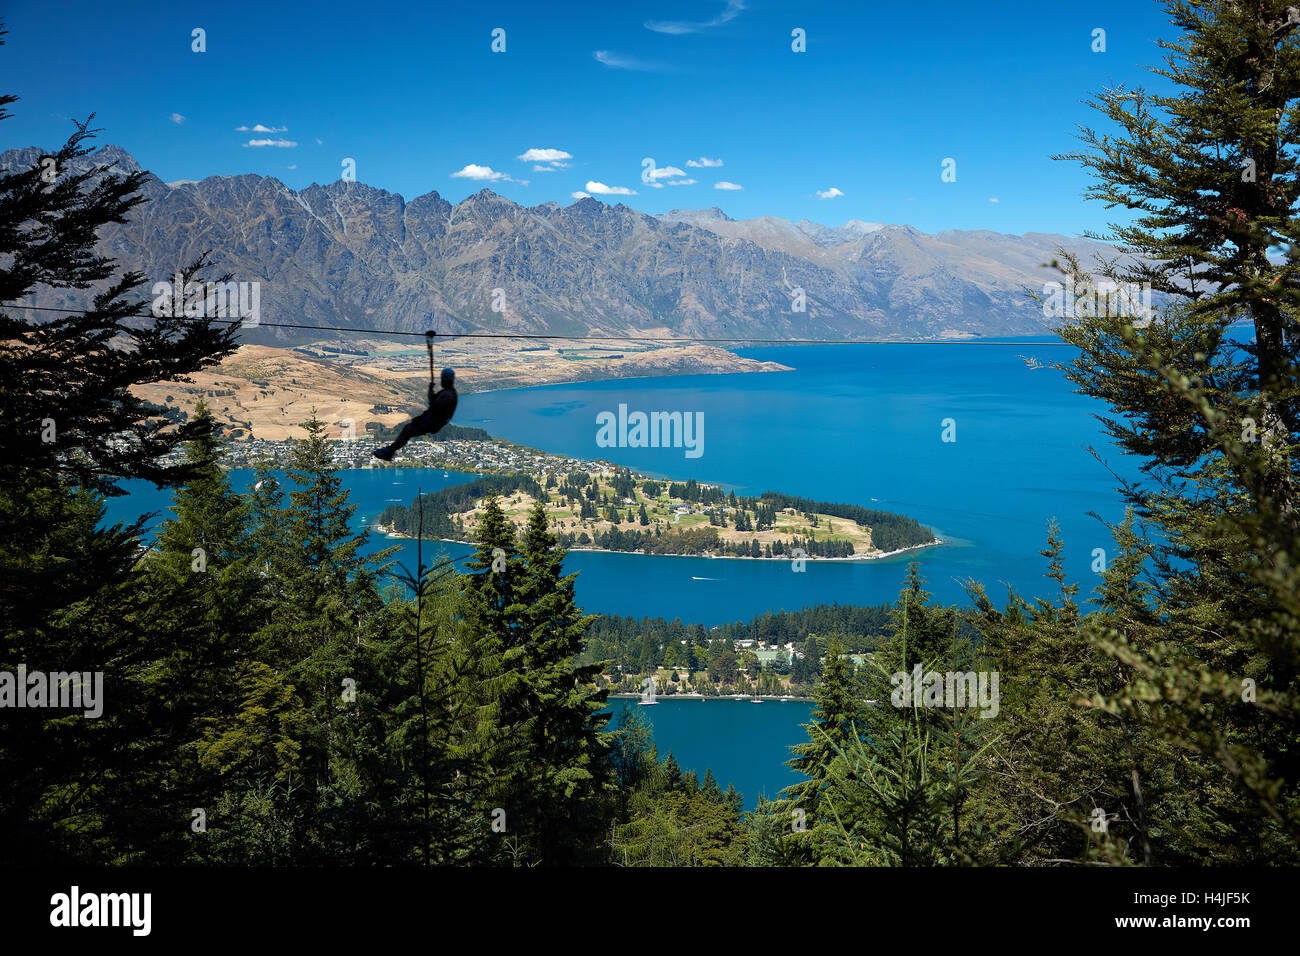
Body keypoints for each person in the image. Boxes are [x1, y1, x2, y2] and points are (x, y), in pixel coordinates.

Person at [373, 367, 457, 461]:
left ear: (444, 380)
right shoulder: (449, 393)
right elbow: (434, 404)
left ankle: (389, 451)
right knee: (407, 430)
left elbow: (434, 407)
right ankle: (390, 450)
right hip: (433, 422)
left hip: (432, 422)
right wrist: (431, 391)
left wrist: (423, 418)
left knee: (408, 430)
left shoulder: (447, 395)